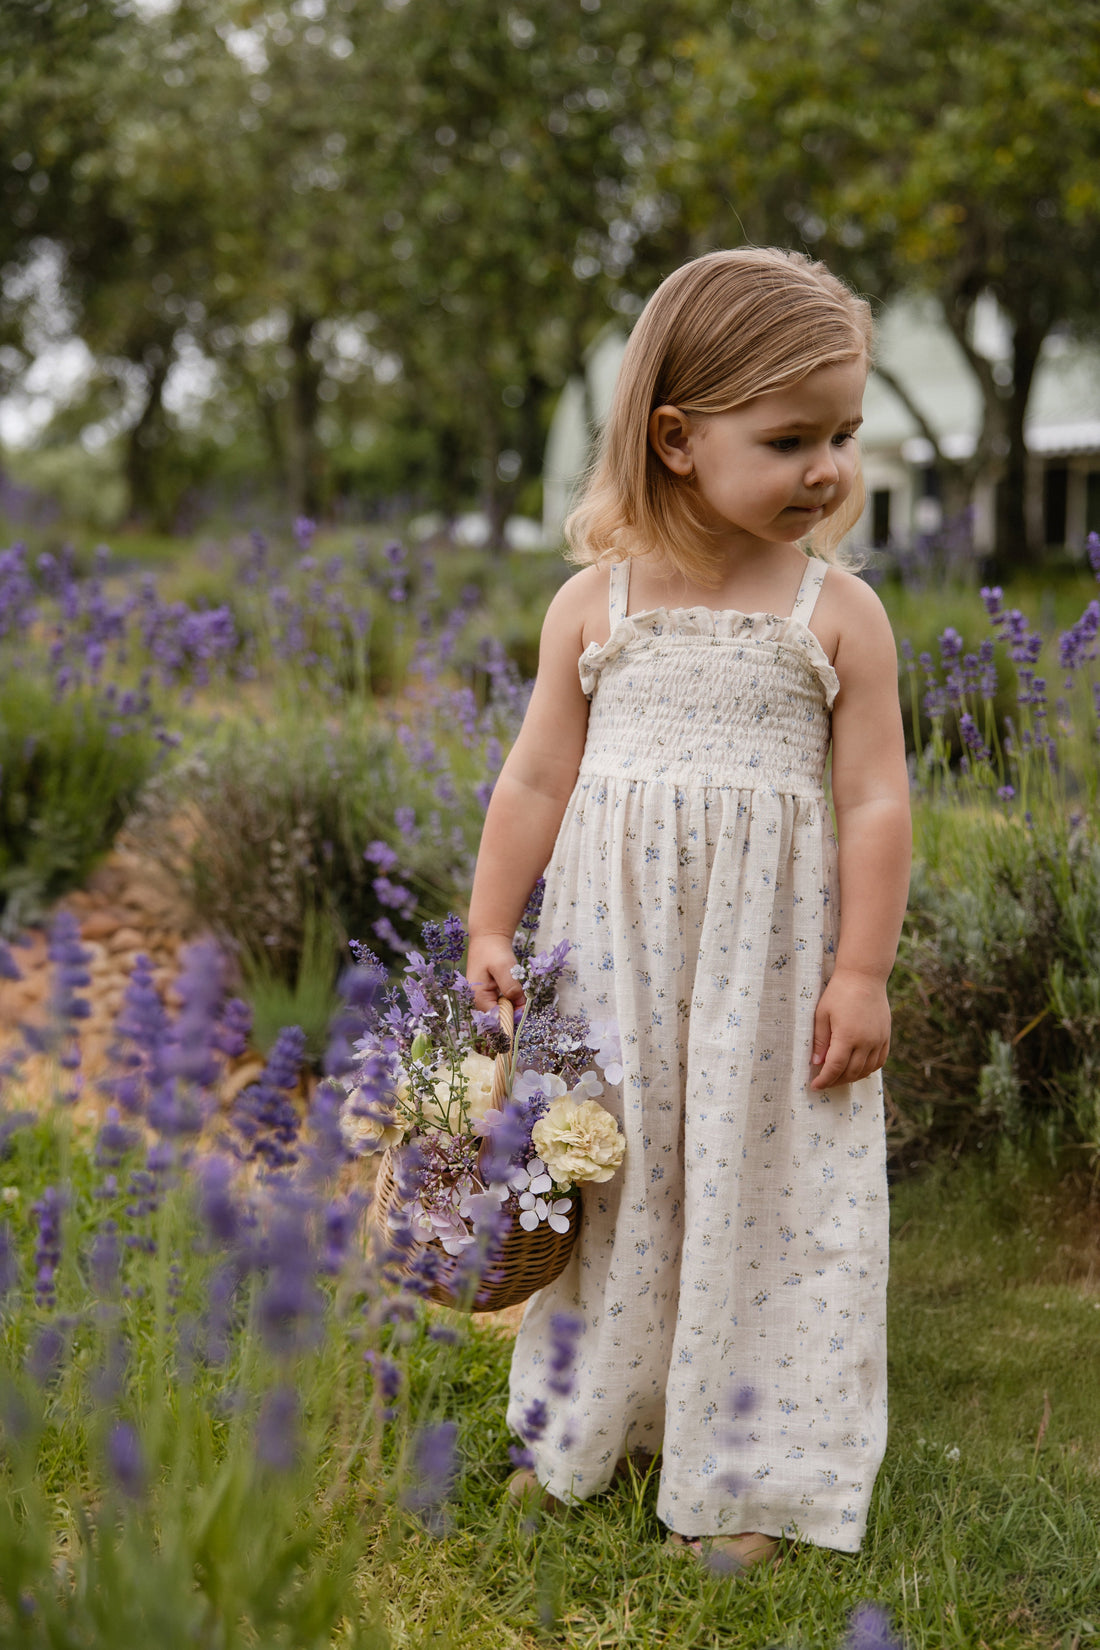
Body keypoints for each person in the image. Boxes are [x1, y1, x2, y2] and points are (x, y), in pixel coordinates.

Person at [465, 247, 911, 1568]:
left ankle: (755, 1469)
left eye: (844, 433)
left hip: (769, 982)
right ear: (674, 438)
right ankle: (582, 1426)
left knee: (767, 1202)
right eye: (790, 438)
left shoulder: (838, 617)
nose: (829, 467)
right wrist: (493, 923)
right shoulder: (593, 608)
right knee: (606, 1194)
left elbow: (878, 802)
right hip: (612, 972)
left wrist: (864, 970)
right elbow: (536, 773)